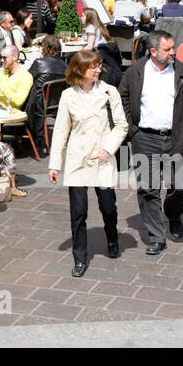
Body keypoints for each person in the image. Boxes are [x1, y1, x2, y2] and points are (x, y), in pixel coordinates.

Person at [118, 31, 183, 254]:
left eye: (173, 48)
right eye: (168, 49)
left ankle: (174, 214)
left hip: (176, 139)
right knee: (148, 190)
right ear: (153, 51)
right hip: (145, 139)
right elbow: (123, 99)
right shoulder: (135, 72)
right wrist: (133, 130)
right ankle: (157, 236)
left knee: (178, 188)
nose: (173, 53)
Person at [47, 51, 128, 277]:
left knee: (108, 206)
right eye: (92, 66)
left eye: (99, 65)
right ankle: (80, 257)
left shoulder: (109, 92)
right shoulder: (67, 96)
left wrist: (107, 149)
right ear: (80, 70)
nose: (98, 69)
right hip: (78, 159)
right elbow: (61, 130)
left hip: (102, 157)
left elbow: (121, 125)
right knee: (78, 212)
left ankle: (112, 238)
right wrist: (55, 164)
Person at [0, 44, 34, 113]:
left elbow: (18, 101)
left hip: (9, 111)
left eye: (4, 57)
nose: (1, 60)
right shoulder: (3, 71)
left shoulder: (26, 76)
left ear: (15, 57)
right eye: (1, 57)